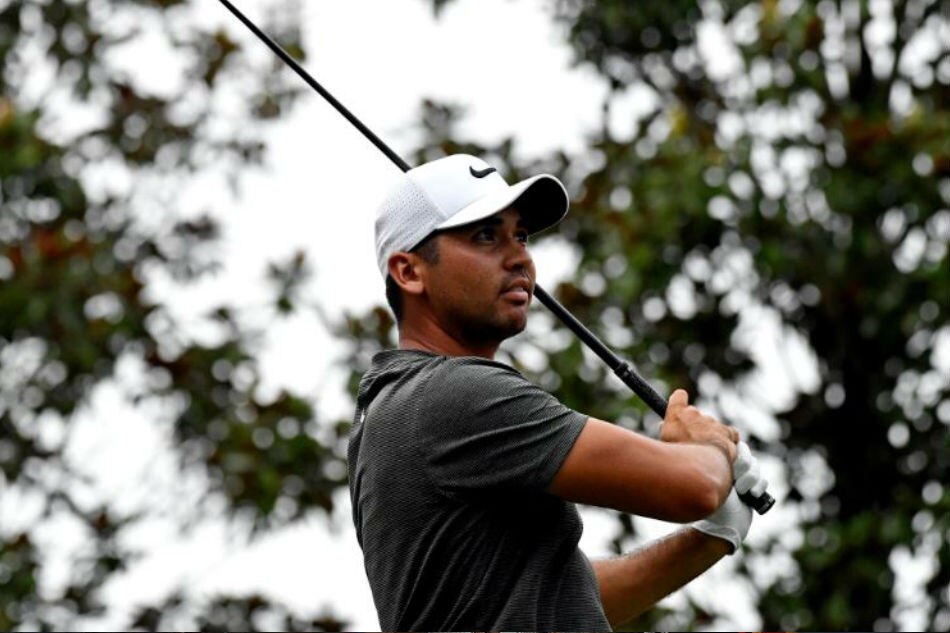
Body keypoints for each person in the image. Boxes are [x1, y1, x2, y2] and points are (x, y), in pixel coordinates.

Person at [348, 154, 769, 631]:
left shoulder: (395, 412)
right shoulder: (456, 395)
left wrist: (712, 537)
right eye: (485, 236)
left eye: (520, 236)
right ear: (408, 272)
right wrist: (709, 446)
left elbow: (558, 603)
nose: (520, 257)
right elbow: (694, 487)